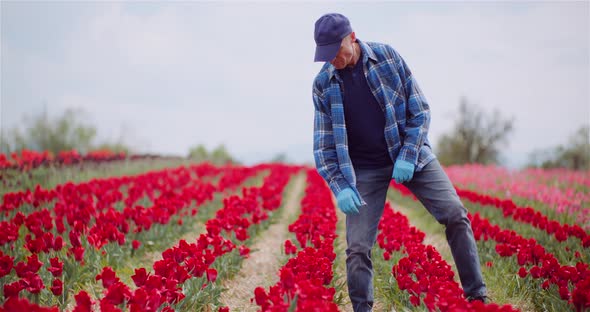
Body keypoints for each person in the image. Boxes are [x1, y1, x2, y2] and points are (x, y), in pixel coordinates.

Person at [311, 13, 488, 312]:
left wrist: (407, 156)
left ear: (352, 38)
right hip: (363, 168)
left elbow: (420, 112)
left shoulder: (388, 58)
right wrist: (340, 186)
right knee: (356, 248)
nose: (332, 60)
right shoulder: (323, 85)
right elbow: (323, 147)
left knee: (455, 213)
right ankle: (362, 309)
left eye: (335, 51)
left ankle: (477, 295)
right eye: (325, 54)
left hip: (409, 153)